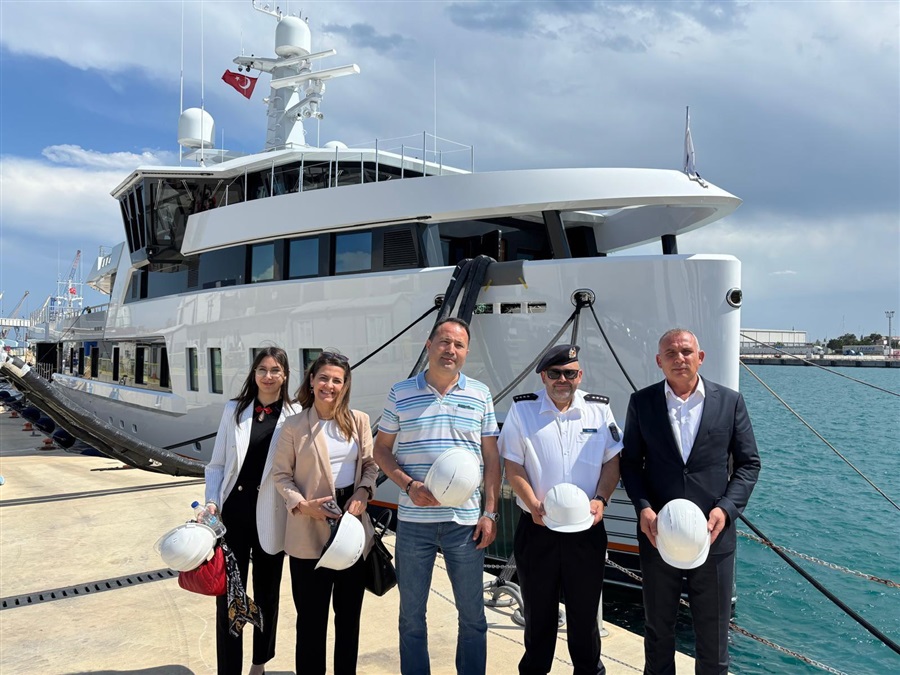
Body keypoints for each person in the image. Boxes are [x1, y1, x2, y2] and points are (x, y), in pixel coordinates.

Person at [621, 329, 761, 675]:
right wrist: (643, 508)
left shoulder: (730, 402)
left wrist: (726, 510)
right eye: (670, 353)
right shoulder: (642, 402)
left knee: (714, 637)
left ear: (700, 357)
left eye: (686, 351)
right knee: (657, 631)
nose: (679, 358)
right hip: (658, 535)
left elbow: (748, 464)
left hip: (714, 538)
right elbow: (630, 464)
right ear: (659, 361)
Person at [373, 317, 501, 675]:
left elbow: (492, 458)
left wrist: (490, 513)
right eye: (444, 342)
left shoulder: (480, 394)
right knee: (412, 617)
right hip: (414, 523)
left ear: (467, 352)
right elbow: (381, 449)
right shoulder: (401, 392)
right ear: (429, 345)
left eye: (459, 345)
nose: (451, 350)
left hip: (465, 524)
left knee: (473, 616)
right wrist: (408, 485)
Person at [499, 344, 622, 675]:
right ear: (543, 376)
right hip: (538, 528)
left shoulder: (599, 411)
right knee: (538, 618)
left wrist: (602, 499)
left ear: (579, 375)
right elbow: (513, 465)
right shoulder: (523, 411)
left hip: (586, 530)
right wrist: (533, 504)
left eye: (569, 373)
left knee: (585, 620)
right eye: (555, 373)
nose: (562, 380)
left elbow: (612, 461)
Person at [272, 351, 378, 675]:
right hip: (308, 527)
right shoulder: (294, 426)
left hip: (351, 526)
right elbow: (281, 475)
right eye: (323, 378)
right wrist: (303, 505)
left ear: (345, 385)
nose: (329, 385)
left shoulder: (359, 421)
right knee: (310, 622)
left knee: (349, 619)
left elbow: (370, 466)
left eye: (336, 380)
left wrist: (363, 492)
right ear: (312, 381)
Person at [203, 346, 302, 675]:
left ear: (285, 376)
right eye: (262, 369)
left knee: (267, 593)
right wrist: (212, 502)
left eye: (275, 370)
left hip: (272, 513)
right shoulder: (234, 410)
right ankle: (229, 669)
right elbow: (217, 465)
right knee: (229, 594)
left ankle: (259, 664)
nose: (268, 376)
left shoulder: (295, 415)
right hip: (234, 511)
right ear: (254, 373)